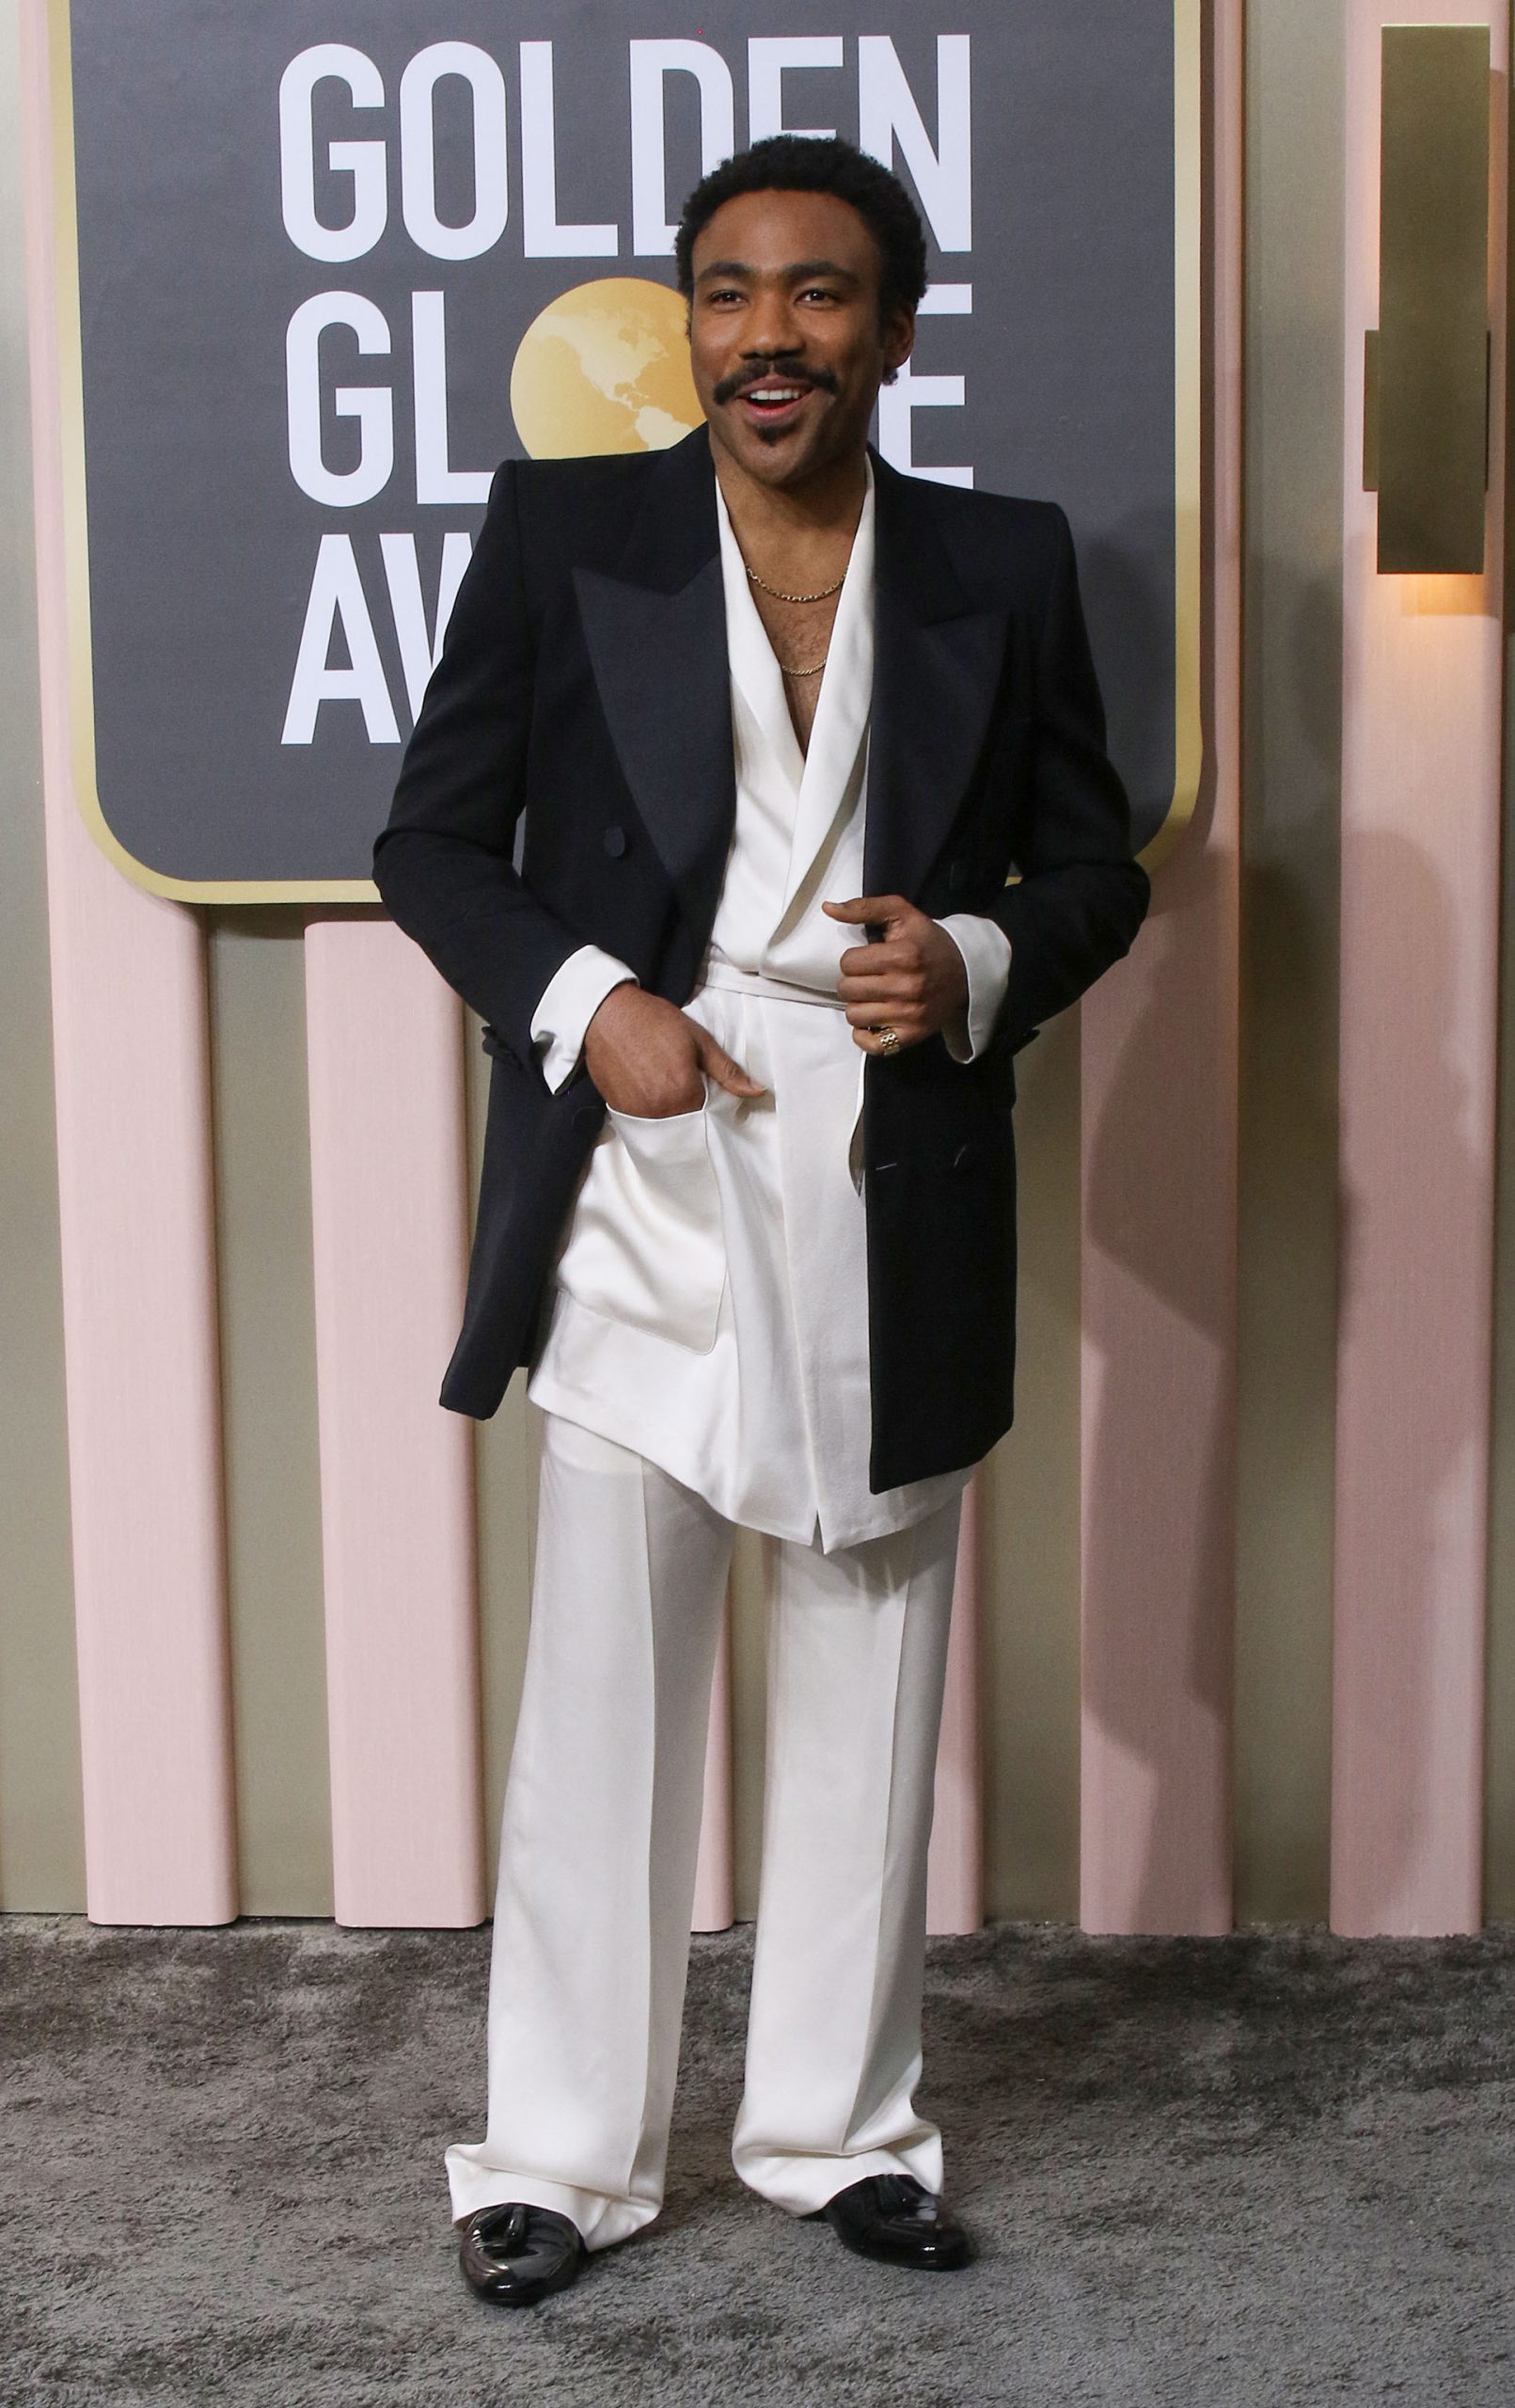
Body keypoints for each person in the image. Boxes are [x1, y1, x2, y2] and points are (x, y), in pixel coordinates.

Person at [373, 134, 1148, 2308]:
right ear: (687, 327)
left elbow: (1094, 869)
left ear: (892, 330)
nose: (764, 336)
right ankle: (555, 2155)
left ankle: (834, 2128)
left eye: (814, 295)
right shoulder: (564, 533)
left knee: (868, 1670)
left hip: (893, 1192)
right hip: (642, 1185)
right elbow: (432, 844)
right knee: (603, 1690)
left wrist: (977, 966)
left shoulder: (1000, 562)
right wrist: (585, 997)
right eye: (724, 294)